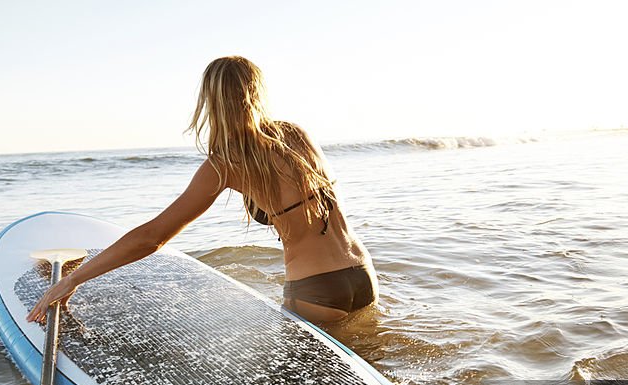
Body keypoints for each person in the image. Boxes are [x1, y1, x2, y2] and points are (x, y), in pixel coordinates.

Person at [27, 56, 377, 325]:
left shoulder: (225, 164)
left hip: (316, 288)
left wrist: (71, 280)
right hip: (361, 273)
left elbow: (152, 237)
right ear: (258, 92)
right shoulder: (295, 135)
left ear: (211, 100)